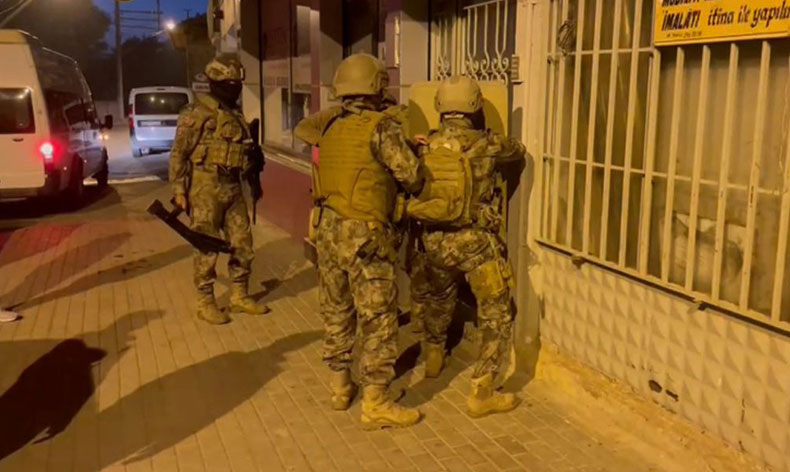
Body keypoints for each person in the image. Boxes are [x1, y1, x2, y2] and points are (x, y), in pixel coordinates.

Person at [294, 53, 423, 430]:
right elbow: (412, 177)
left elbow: (304, 129)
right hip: (365, 236)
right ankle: (376, 403)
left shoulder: (329, 126)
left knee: (336, 309)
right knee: (378, 318)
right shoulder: (381, 127)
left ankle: (340, 388)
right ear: (377, 86)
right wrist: (415, 150)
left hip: (328, 231)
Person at [406, 75, 525, 418]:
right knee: (496, 312)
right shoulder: (488, 145)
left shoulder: (426, 143)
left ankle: (433, 357)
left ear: (440, 105)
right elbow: (518, 150)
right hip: (475, 244)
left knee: (439, 299)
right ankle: (482, 392)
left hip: (434, 241)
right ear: (474, 105)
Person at [169, 54, 270, 325]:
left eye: (237, 84)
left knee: (242, 244)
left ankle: (239, 295)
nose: (234, 88)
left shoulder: (235, 114)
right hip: (205, 189)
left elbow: (243, 151)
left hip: (233, 188)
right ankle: (205, 302)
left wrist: (253, 165)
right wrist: (179, 190)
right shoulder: (196, 113)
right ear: (215, 82)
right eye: (229, 84)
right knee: (206, 246)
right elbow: (179, 153)